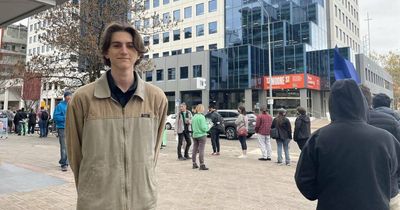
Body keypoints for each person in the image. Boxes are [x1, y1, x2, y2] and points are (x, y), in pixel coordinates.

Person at [65, 22, 168, 210]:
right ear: (106, 52)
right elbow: (75, 154)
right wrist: (91, 188)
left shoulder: (156, 98)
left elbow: (153, 152)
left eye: (130, 45)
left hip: (143, 202)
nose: (124, 50)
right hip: (96, 203)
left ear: (138, 52)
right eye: (116, 45)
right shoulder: (83, 99)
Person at [295, 79, 400, 210]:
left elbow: (304, 180)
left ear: (332, 105)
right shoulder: (386, 139)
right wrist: (383, 192)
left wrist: (324, 192)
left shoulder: (318, 138)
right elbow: (395, 174)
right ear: (362, 104)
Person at [53, 91, 72, 171]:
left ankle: (64, 161)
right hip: (62, 128)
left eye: (70, 97)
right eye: (68, 97)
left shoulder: (73, 104)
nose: (69, 98)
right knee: (64, 146)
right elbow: (55, 117)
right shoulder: (60, 106)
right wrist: (66, 117)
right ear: (65, 97)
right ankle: (64, 164)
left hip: (72, 128)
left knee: (70, 146)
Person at [191, 104, 210, 170]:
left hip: (195, 134)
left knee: (194, 149)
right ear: (201, 109)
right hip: (202, 135)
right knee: (201, 150)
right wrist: (208, 127)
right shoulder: (202, 117)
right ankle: (202, 164)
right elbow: (203, 128)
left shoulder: (194, 117)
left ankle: (194, 163)